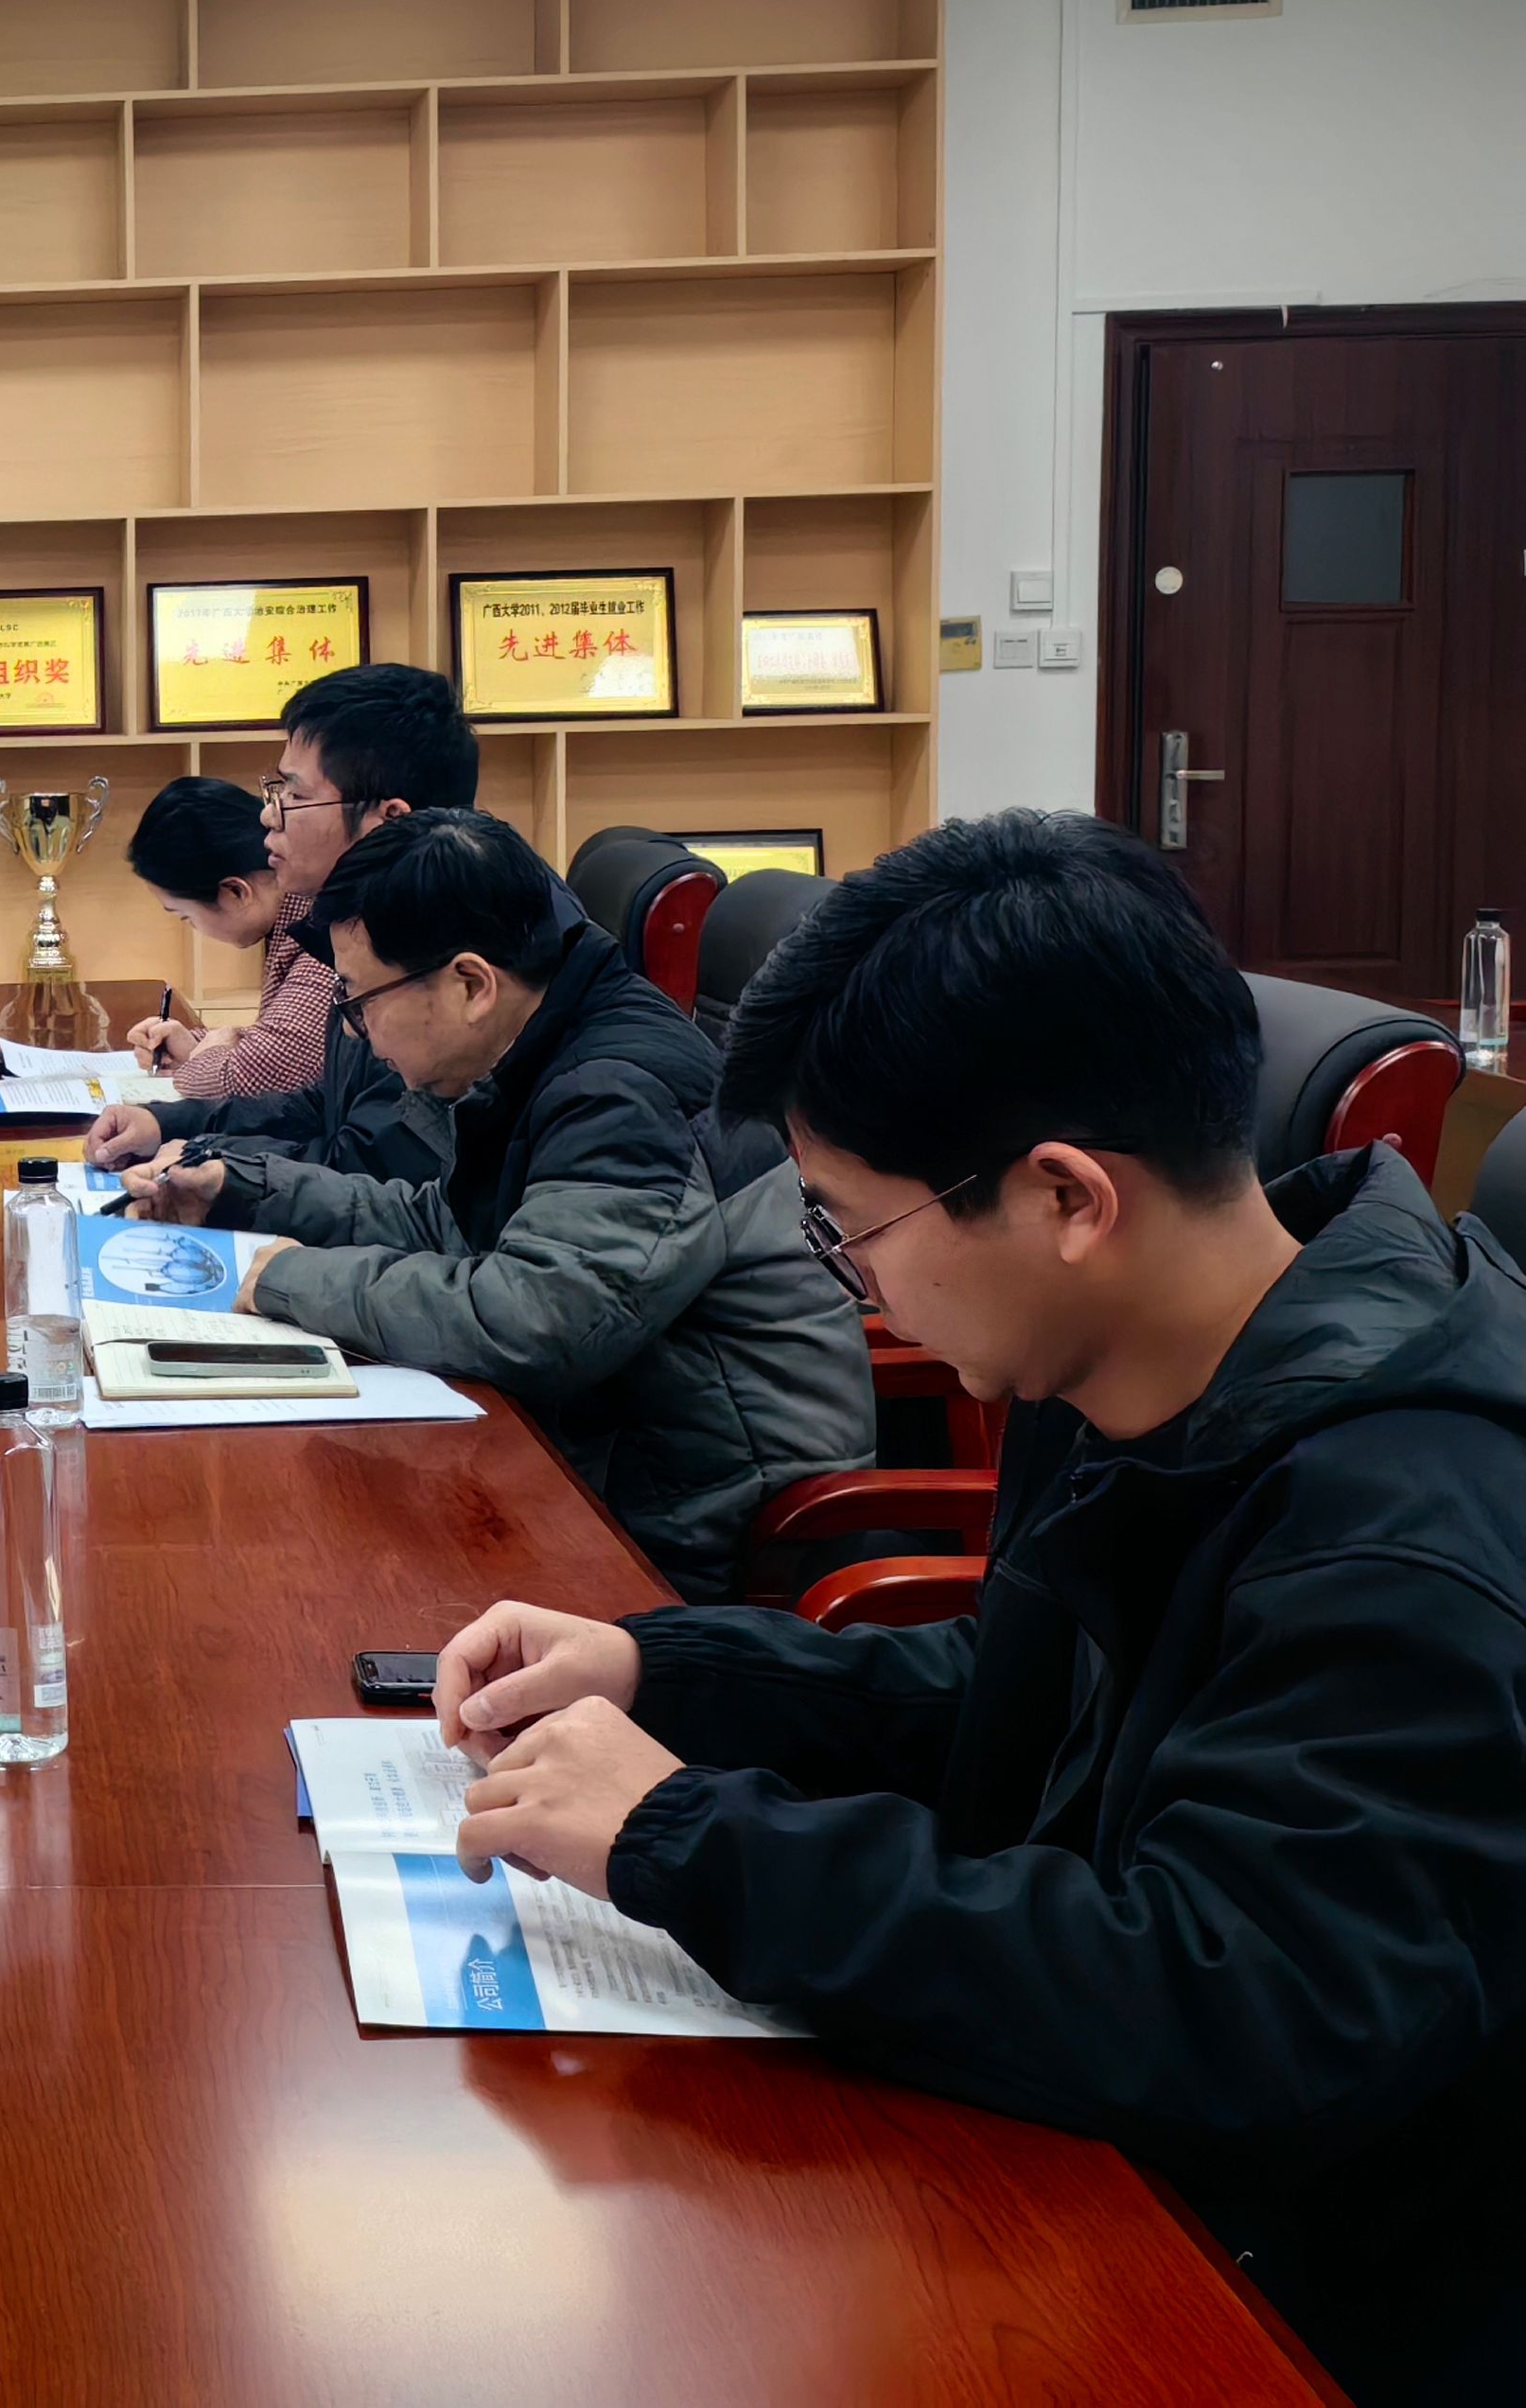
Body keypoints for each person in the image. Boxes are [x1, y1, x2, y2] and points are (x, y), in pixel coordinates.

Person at [430, 810, 1526, 2408]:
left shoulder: (1405, 1526)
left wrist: (683, 1837)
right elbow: (1022, 1693)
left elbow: (1236, 2010)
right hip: (1128, 2191)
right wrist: (661, 1673)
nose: (855, 1282)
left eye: (852, 1227)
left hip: (1301, 2307)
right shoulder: (1144, 1352)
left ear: (1067, 1197)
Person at [121, 809, 869, 1596]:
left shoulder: (621, 1095)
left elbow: (533, 1319)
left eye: (360, 1001)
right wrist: (248, 1189)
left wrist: (288, 1279)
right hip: (606, 1452)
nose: (360, 1035)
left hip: (702, 1528)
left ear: (472, 985)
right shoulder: (547, 1044)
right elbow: (447, 1222)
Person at [92, 662, 482, 1193]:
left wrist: (226, 1174)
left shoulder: (429, 945)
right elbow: (324, 1104)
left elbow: (362, 1163)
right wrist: (172, 1123)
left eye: (295, 796)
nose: (269, 817)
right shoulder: (361, 921)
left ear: (388, 820)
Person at [112, 778, 332, 1100]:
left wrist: (200, 1061)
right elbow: (289, 1046)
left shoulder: (325, 937)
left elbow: (256, 1077)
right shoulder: (298, 916)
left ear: (235, 891)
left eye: (185, 916)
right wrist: (198, 1045)